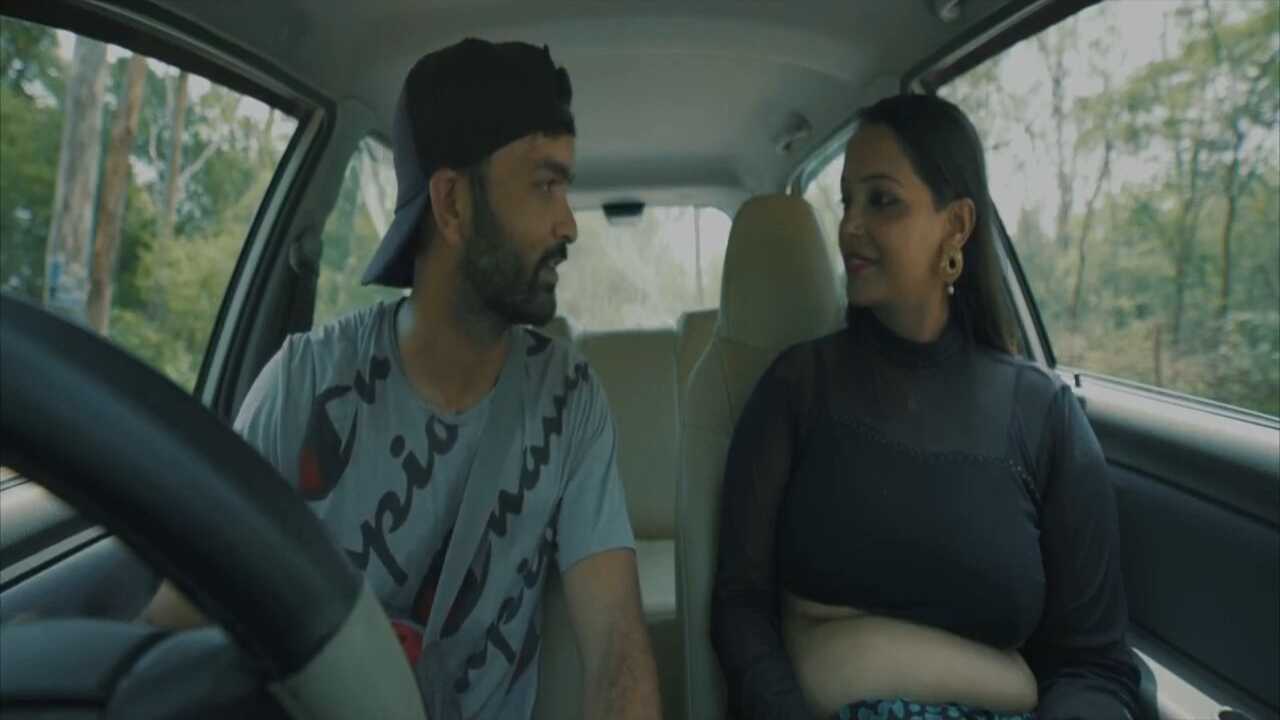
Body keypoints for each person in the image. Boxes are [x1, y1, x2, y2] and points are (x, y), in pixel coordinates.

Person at [143, 38, 661, 720]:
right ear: (452, 204)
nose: (569, 223)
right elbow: (177, 625)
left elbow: (617, 645)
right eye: (545, 185)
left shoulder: (568, 400)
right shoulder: (304, 383)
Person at [711, 93, 1141, 720]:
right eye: (847, 201)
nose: (850, 226)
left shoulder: (1043, 414)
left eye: (881, 201)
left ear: (956, 226)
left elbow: (1093, 663)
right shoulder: (796, 389)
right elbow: (740, 606)